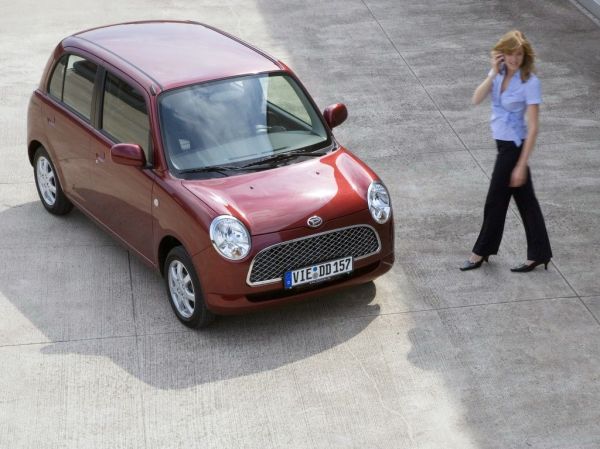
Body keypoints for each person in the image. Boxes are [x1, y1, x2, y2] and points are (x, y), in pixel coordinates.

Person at [460, 30, 552, 272]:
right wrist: (492, 72)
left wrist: (521, 165)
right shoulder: (499, 75)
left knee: (495, 201)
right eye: (510, 54)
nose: (514, 59)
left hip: (513, 148)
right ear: (502, 54)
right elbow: (476, 98)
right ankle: (540, 253)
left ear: (525, 55)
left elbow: (533, 127)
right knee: (526, 201)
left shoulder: (530, 82)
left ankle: (480, 252)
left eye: (519, 54)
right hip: (502, 145)